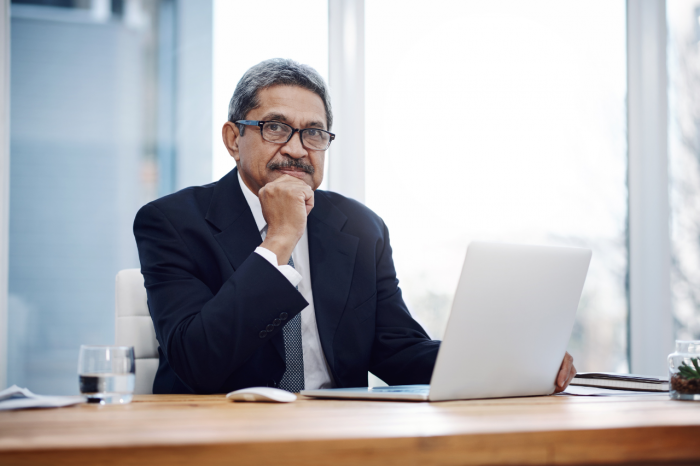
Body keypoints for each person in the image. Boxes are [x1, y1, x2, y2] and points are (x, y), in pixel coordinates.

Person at [133, 58, 577, 394]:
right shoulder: (172, 222)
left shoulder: (360, 227)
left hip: (341, 437)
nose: (297, 149)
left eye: (314, 133)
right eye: (275, 128)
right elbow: (197, 361)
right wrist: (280, 240)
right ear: (234, 139)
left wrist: (511, 363)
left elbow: (398, 350)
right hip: (220, 437)